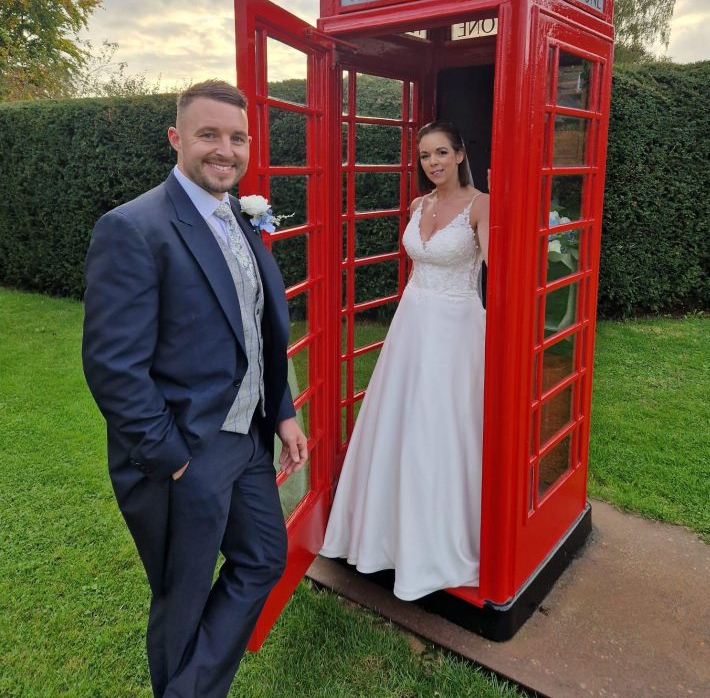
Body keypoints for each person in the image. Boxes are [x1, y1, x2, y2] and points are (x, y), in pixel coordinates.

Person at [82, 79, 308, 698]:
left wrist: (283, 411)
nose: (224, 150)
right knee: (182, 599)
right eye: (209, 135)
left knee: (263, 557)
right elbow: (112, 365)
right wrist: (173, 461)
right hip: (185, 452)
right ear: (177, 139)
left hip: (246, 438)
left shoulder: (239, 215)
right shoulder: (134, 228)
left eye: (237, 138)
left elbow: (258, 329)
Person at [321, 121, 489, 601]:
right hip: (411, 327)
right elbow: (418, 263)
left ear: (460, 154)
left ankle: (436, 544)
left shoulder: (482, 205)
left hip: (456, 332)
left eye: (441, 153)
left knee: (440, 431)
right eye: (424, 156)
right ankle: (382, 537)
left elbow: (499, 274)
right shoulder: (420, 205)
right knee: (397, 426)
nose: (432, 163)